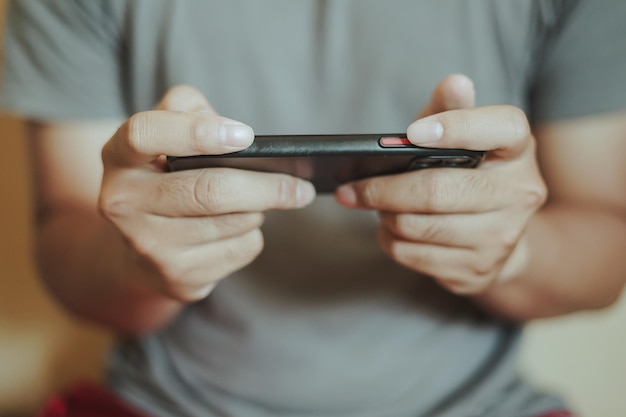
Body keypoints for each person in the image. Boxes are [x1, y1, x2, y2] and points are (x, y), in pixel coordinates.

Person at [1, 1, 625, 416]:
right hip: (165, 403)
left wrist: (512, 255)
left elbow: (606, 246)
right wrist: (139, 264)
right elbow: (66, 233)